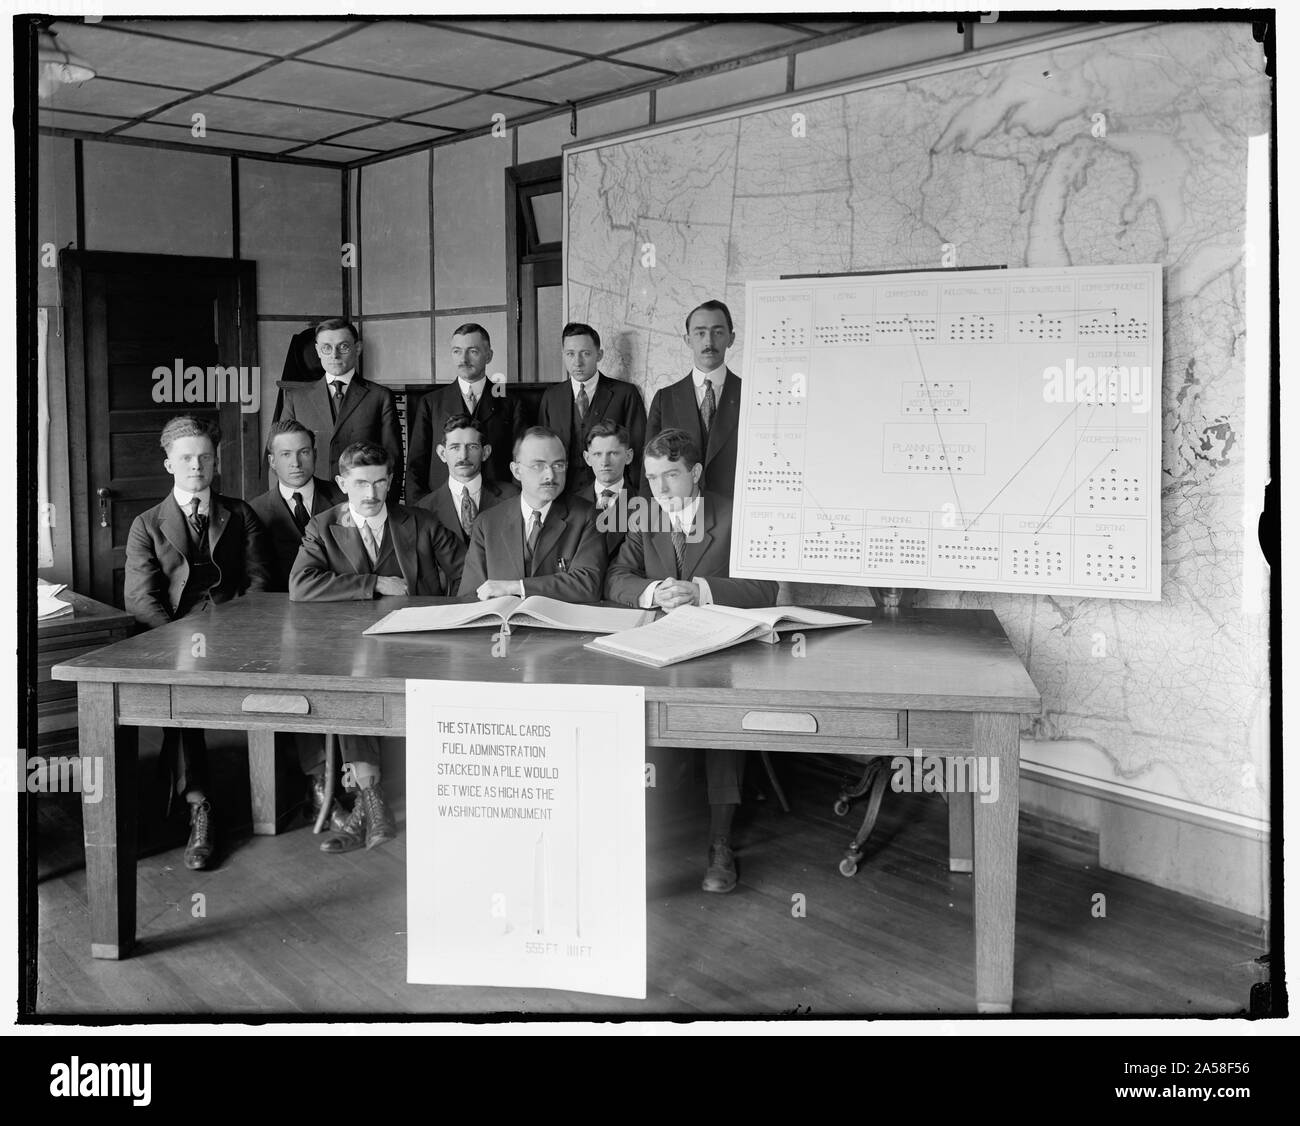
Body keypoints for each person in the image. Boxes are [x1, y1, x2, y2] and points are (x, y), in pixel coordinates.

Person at [606, 428, 777, 894]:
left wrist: (700, 590)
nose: (661, 490)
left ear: (696, 473)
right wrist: (650, 591)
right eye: (652, 478)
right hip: (660, 651)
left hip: (721, 652)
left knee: (720, 723)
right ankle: (637, 842)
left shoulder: (733, 514)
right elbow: (616, 577)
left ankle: (720, 842)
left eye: (672, 477)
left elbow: (765, 588)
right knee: (631, 721)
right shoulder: (645, 516)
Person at [290, 442, 466, 852]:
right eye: (361, 484)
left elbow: (467, 572)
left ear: (390, 481)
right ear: (342, 483)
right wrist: (373, 584)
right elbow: (301, 586)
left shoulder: (420, 521)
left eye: (380, 482)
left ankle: (369, 810)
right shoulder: (323, 526)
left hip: (421, 643)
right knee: (357, 686)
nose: (371, 494)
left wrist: (444, 617)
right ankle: (373, 801)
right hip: (354, 646)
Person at [124, 415, 272, 870]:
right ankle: (199, 804)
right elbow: (141, 597)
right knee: (181, 692)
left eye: (205, 457)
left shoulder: (240, 512)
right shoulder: (146, 524)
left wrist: (239, 631)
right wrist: (177, 641)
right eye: (186, 458)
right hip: (176, 635)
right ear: (169, 463)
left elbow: (258, 580)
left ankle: (275, 792)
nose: (197, 466)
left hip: (239, 630)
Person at [248, 419, 346, 824]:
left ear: (315, 454)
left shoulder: (343, 495)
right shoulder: (255, 510)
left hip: (342, 614)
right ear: (272, 461)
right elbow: (257, 576)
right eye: (285, 454)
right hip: (283, 624)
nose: (296, 462)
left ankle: (352, 775)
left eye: (304, 452)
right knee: (299, 687)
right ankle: (318, 779)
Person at [458, 427, 606, 604]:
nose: (550, 475)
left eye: (558, 465)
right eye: (538, 466)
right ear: (516, 471)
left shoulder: (588, 515)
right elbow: (469, 595)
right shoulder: (487, 523)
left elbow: (587, 585)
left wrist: (517, 587)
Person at [277, 317, 404, 498]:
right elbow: (281, 453)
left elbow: (393, 460)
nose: (334, 355)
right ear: (317, 351)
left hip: (363, 500)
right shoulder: (297, 399)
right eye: (326, 348)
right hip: (311, 500)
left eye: (343, 347)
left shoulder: (380, 396)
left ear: (357, 348)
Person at [406, 323, 525, 503]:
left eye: (473, 351)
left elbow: (521, 459)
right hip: (441, 507)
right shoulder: (431, 403)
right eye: (457, 351)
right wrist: (419, 509)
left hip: (498, 504)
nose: (464, 359)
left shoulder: (510, 402)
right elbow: (416, 465)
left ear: (489, 356)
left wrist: (515, 502)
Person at [645, 299, 743, 497]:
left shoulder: (750, 395)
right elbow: (648, 466)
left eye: (717, 332)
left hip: (733, 515)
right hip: (678, 515)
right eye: (700, 333)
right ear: (688, 340)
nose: (708, 341)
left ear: (731, 339)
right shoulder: (666, 399)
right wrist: (652, 519)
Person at [536, 322, 646, 496]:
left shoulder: (625, 394)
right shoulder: (552, 397)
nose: (577, 362)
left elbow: (638, 449)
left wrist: (636, 495)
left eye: (585, 354)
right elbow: (542, 448)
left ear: (599, 355)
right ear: (563, 355)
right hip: (563, 496)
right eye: (570, 354)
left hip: (612, 495)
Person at [414, 412, 517, 546]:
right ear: (442, 453)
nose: (463, 456)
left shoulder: (513, 497)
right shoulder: (423, 509)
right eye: (455, 447)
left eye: (472, 447)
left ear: (485, 453)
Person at [583, 419, 637, 560]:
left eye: (613, 453)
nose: (605, 462)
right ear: (587, 458)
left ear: (628, 456)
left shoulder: (646, 504)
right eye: (597, 454)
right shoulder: (571, 503)